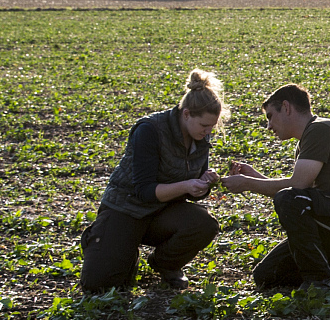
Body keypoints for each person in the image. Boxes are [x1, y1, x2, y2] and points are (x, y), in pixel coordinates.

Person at [221, 83, 330, 291]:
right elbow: (300, 194)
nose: (269, 126)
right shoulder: (309, 138)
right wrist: (254, 176)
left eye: (270, 116)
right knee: (265, 276)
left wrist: (247, 184)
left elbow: (296, 190)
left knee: (289, 200)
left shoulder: (320, 130)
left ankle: (319, 282)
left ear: (286, 107)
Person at [78, 69, 227, 293]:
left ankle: (165, 264)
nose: (209, 131)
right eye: (204, 126)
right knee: (98, 285)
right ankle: (106, 240)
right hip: (127, 208)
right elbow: (144, 191)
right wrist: (187, 185)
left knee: (204, 224)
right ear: (186, 114)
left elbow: (189, 188)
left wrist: (203, 182)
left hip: (162, 211)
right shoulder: (150, 130)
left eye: (212, 126)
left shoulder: (200, 136)